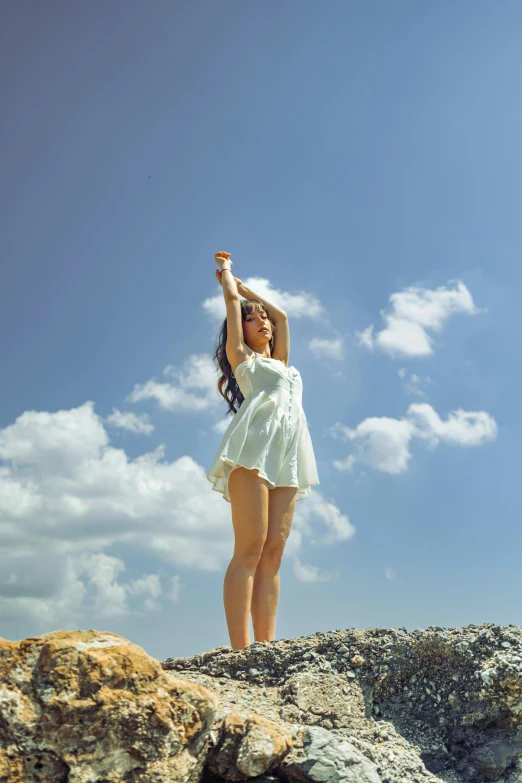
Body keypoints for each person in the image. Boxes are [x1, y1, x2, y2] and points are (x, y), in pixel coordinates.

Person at [207, 251, 320, 650]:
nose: (263, 322)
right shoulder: (245, 359)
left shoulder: (285, 363)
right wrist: (229, 281)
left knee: (274, 550)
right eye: (253, 318)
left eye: (263, 318)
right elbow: (233, 304)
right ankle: (239, 652)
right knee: (251, 547)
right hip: (253, 452)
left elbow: (285, 317)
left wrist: (250, 292)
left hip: (288, 456)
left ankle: (266, 648)